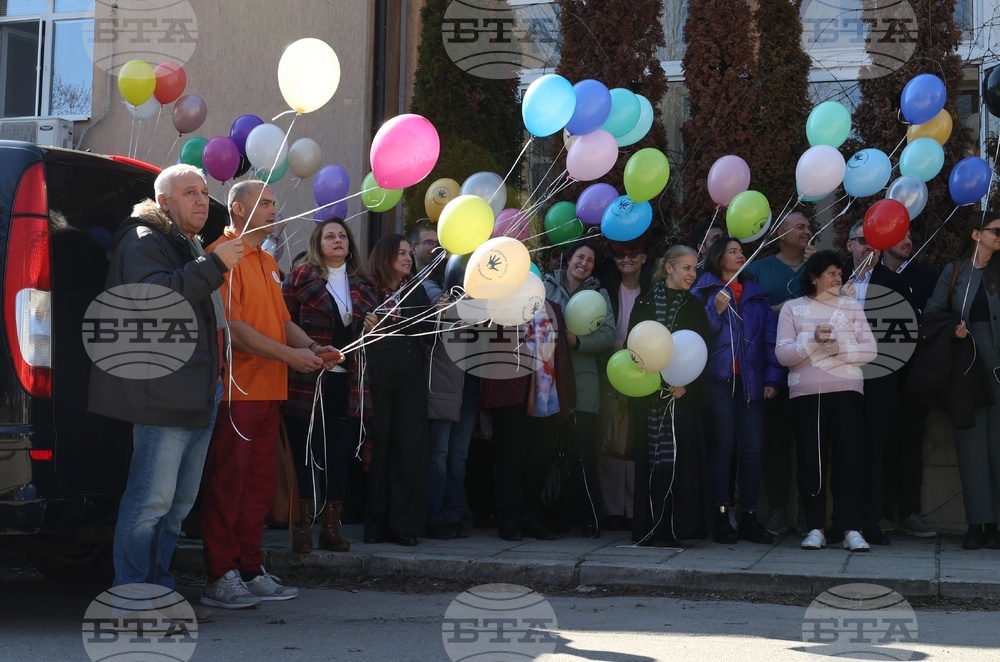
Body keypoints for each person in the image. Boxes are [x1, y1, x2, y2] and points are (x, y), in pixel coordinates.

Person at [89, 164, 244, 623]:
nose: (202, 200)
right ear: (164, 202)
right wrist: (215, 265)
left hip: (196, 392)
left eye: (203, 192)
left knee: (176, 507)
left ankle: (160, 593)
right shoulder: (143, 239)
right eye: (189, 192)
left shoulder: (186, 242)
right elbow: (155, 298)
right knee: (148, 504)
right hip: (162, 394)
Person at [200, 181, 342, 609]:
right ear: (238, 208)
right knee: (229, 484)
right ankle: (220, 574)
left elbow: (281, 322)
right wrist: (289, 355)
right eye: (264, 203)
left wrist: (312, 349)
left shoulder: (265, 259)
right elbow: (233, 329)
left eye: (275, 203)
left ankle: (248, 567)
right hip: (235, 391)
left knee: (259, 487)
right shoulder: (223, 255)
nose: (274, 209)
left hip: (268, 390)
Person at [775, 250, 877, 552]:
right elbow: (782, 354)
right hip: (806, 395)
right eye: (831, 273)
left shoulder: (851, 307)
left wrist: (838, 351)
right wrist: (812, 341)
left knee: (849, 459)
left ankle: (850, 528)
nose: (838, 278)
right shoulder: (793, 309)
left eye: (839, 272)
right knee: (811, 461)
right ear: (814, 277)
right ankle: (815, 527)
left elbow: (869, 350)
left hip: (847, 392)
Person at [282, 218, 366, 553]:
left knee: (338, 456)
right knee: (304, 452)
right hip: (307, 379)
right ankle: (302, 527)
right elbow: (282, 321)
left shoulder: (364, 283)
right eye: (329, 236)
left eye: (342, 235)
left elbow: (371, 336)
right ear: (318, 244)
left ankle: (331, 529)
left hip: (347, 385)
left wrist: (369, 322)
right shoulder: (302, 277)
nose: (337, 240)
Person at [692, 237, 782, 544]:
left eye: (741, 252)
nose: (740, 255)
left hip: (752, 383)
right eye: (733, 251)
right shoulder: (702, 290)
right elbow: (697, 337)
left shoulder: (756, 295)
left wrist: (772, 379)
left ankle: (748, 517)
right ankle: (720, 516)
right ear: (718, 258)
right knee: (721, 451)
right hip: (717, 381)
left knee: (753, 451)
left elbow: (770, 340)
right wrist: (715, 311)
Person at [925, 211, 1000, 550]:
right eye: (995, 230)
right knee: (970, 446)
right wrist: (951, 330)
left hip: (997, 365)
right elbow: (931, 313)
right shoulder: (954, 271)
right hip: (966, 364)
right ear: (976, 234)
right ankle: (977, 523)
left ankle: (996, 526)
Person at [353, 234, 433, 546]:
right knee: (379, 449)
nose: (407, 258)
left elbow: (428, 334)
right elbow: (351, 325)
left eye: (410, 253)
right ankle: (374, 525)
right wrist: (365, 321)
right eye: (401, 253)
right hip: (377, 378)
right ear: (385, 256)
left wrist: (435, 313)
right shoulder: (365, 287)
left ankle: (403, 525)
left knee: (407, 450)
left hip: (411, 379)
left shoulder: (417, 289)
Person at [629, 245, 712, 545]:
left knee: (679, 461)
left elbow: (702, 351)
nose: (692, 274)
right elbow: (634, 347)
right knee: (653, 461)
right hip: (650, 396)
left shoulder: (694, 306)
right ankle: (650, 528)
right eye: (686, 268)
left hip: (681, 399)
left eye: (694, 268)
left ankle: (677, 528)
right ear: (669, 268)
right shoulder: (645, 302)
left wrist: (687, 384)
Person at [744, 212, 814, 536]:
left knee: (808, 445)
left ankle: (806, 512)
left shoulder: (818, 268)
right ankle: (775, 509)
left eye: (808, 227)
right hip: (771, 371)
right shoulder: (758, 270)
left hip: (813, 371)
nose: (807, 231)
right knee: (774, 443)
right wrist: (785, 312)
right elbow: (749, 314)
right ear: (780, 234)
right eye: (799, 227)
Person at [842, 220, 911, 546]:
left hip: (879, 381)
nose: (869, 250)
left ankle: (870, 521)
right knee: (843, 451)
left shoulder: (894, 283)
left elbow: (902, 337)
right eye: (862, 242)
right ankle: (841, 521)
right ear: (850, 245)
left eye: (874, 244)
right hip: (839, 380)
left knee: (875, 454)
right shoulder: (833, 278)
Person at [543, 239, 616, 537]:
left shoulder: (599, 294)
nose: (583, 264)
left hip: (583, 383)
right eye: (579, 257)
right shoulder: (545, 287)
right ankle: (552, 516)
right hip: (546, 381)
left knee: (583, 452)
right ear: (567, 258)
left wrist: (578, 342)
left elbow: (608, 334)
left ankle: (589, 517)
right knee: (548, 451)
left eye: (590, 261)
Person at [881, 229, 939, 537]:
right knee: (880, 442)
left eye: (910, 237)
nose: (908, 242)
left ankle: (909, 512)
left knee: (912, 442)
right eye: (900, 237)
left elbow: (936, 317)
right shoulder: (869, 277)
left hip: (916, 372)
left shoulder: (927, 277)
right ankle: (880, 513)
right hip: (878, 373)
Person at [422, 239, 479, 540]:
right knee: (439, 454)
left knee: (459, 454)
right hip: (444, 382)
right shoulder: (433, 287)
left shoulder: (485, 294)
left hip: (470, 383)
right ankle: (434, 517)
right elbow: (444, 314)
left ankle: (454, 515)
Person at [597, 238, 654, 531]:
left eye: (632, 254)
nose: (626, 259)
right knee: (611, 437)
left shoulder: (653, 290)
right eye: (620, 255)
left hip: (643, 372)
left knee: (635, 438)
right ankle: (612, 509)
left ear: (644, 257)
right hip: (609, 369)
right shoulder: (605, 288)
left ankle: (634, 507)